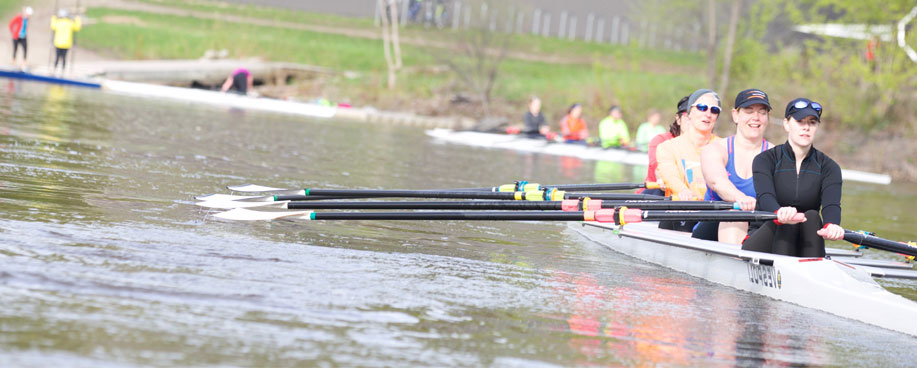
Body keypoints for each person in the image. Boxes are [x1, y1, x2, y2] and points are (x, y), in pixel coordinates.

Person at [741, 98, 844, 257]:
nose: (806, 128)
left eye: (812, 123)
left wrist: (832, 225)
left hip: (805, 239)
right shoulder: (765, 160)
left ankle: (813, 269)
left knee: (811, 216)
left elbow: (832, 205)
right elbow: (765, 196)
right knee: (789, 220)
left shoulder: (829, 168)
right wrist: (779, 211)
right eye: (800, 122)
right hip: (764, 238)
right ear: (786, 124)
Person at [692, 89, 773, 244]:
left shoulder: (777, 156)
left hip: (757, 226)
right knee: (736, 214)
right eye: (749, 111)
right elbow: (717, 182)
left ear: (767, 117)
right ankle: (735, 262)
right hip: (714, 226)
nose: (755, 118)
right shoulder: (715, 150)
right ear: (736, 115)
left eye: (762, 112)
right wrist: (740, 198)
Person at [656, 89, 722, 231]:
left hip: (714, 211)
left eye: (714, 110)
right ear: (689, 113)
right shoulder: (667, 147)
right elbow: (670, 177)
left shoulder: (725, 147)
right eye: (702, 107)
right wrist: (682, 190)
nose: (708, 114)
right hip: (681, 209)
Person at [637, 96, 687, 196]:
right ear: (678, 119)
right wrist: (664, 179)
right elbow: (658, 169)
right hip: (654, 192)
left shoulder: (710, 145)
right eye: (688, 117)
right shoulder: (660, 140)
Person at [50, 9, 80, 75]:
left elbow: (52, 26)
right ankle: (62, 71)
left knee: (57, 57)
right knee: (64, 57)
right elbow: (77, 27)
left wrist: (53, 18)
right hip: (66, 43)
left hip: (58, 43)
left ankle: (54, 70)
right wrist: (77, 19)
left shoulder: (58, 22)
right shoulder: (70, 23)